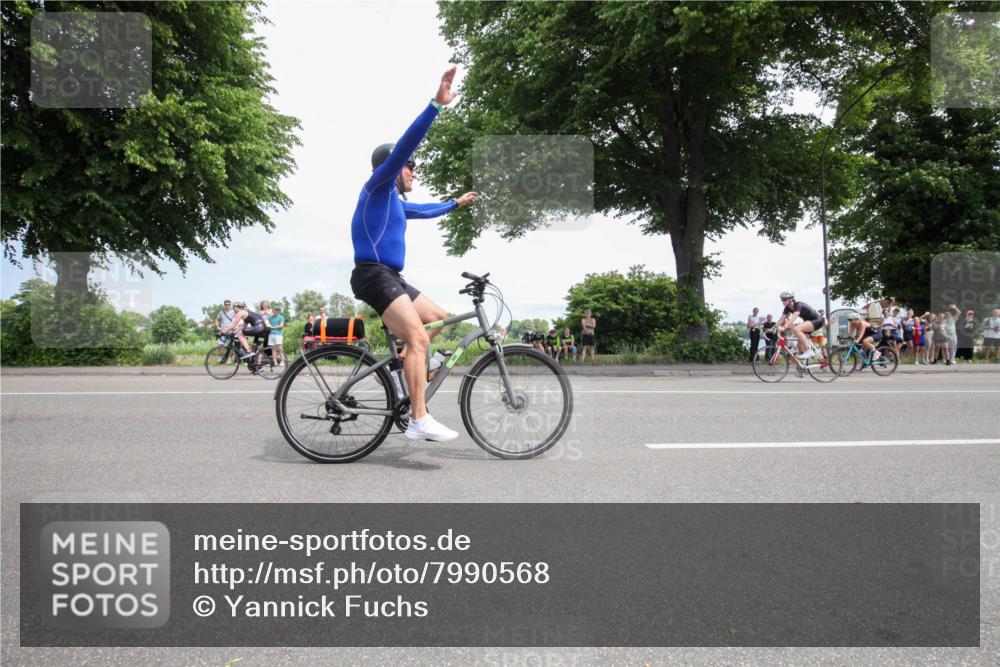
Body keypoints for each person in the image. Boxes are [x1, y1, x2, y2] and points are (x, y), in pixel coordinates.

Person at [349, 66, 478, 443]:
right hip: (374, 276)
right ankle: (419, 419)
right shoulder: (377, 187)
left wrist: (455, 203)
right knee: (420, 338)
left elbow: (422, 210)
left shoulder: (394, 203)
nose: (414, 173)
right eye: (411, 168)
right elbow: (406, 145)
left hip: (393, 279)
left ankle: (408, 369)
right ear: (393, 166)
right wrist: (435, 106)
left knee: (439, 318)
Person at [775, 291, 824, 359]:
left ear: (791, 299)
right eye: (782, 299)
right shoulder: (787, 308)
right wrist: (773, 328)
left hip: (817, 320)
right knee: (799, 345)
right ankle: (804, 365)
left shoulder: (798, 305)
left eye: (784, 299)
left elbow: (793, 318)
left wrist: (784, 327)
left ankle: (809, 350)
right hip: (809, 322)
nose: (782, 301)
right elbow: (782, 319)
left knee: (796, 329)